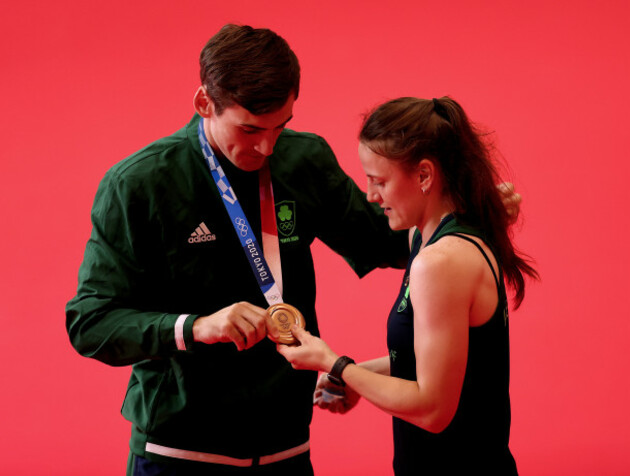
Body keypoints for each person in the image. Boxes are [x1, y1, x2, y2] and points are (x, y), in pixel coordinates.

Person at [65, 24, 410, 476]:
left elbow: (387, 240)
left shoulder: (303, 160)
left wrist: (461, 214)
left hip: (287, 446)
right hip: (178, 452)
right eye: (249, 129)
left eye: (280, 127)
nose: (266, 147)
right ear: (204, 103)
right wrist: (197, 326)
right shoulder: (140, 183)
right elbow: (90, 322)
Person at [278, 96, 538, 475]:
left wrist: (334, 363)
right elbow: (441, 363)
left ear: (424, 176)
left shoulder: (440, 263)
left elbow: (433, 410)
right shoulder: (426, 238)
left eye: (379, 181)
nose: (370, 195)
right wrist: (359, 376)